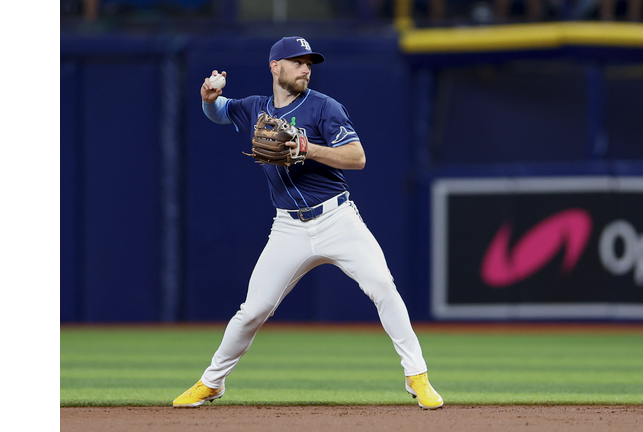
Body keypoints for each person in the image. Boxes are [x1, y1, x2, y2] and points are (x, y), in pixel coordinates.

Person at [172, 36, 444, 410]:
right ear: (275, 67)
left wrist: (307, 148)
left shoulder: (323, 107)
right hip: (288, 228)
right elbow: (220, 112)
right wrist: (208, 98)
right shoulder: (254, 108)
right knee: (253, 310)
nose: (305, 68)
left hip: (337, 218)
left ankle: (417, 376)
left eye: (309, 63)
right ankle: (212, 382)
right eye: (297, 61)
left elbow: (357, 157)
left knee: (382, 284)